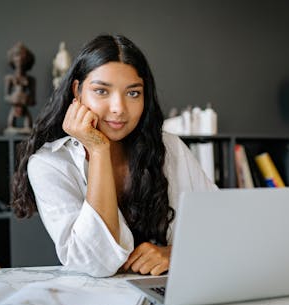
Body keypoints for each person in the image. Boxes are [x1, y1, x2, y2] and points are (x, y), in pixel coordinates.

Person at [12, 34, 217, 278]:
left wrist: (175, 253)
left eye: (133, 93)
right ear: (77, 92)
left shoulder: (169, 147)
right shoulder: (50, 164)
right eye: (101, 91)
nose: (118, 108)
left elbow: (221, 227)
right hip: (92, 301)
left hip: (170, 291)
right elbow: (96, 263)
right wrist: (99, 150)